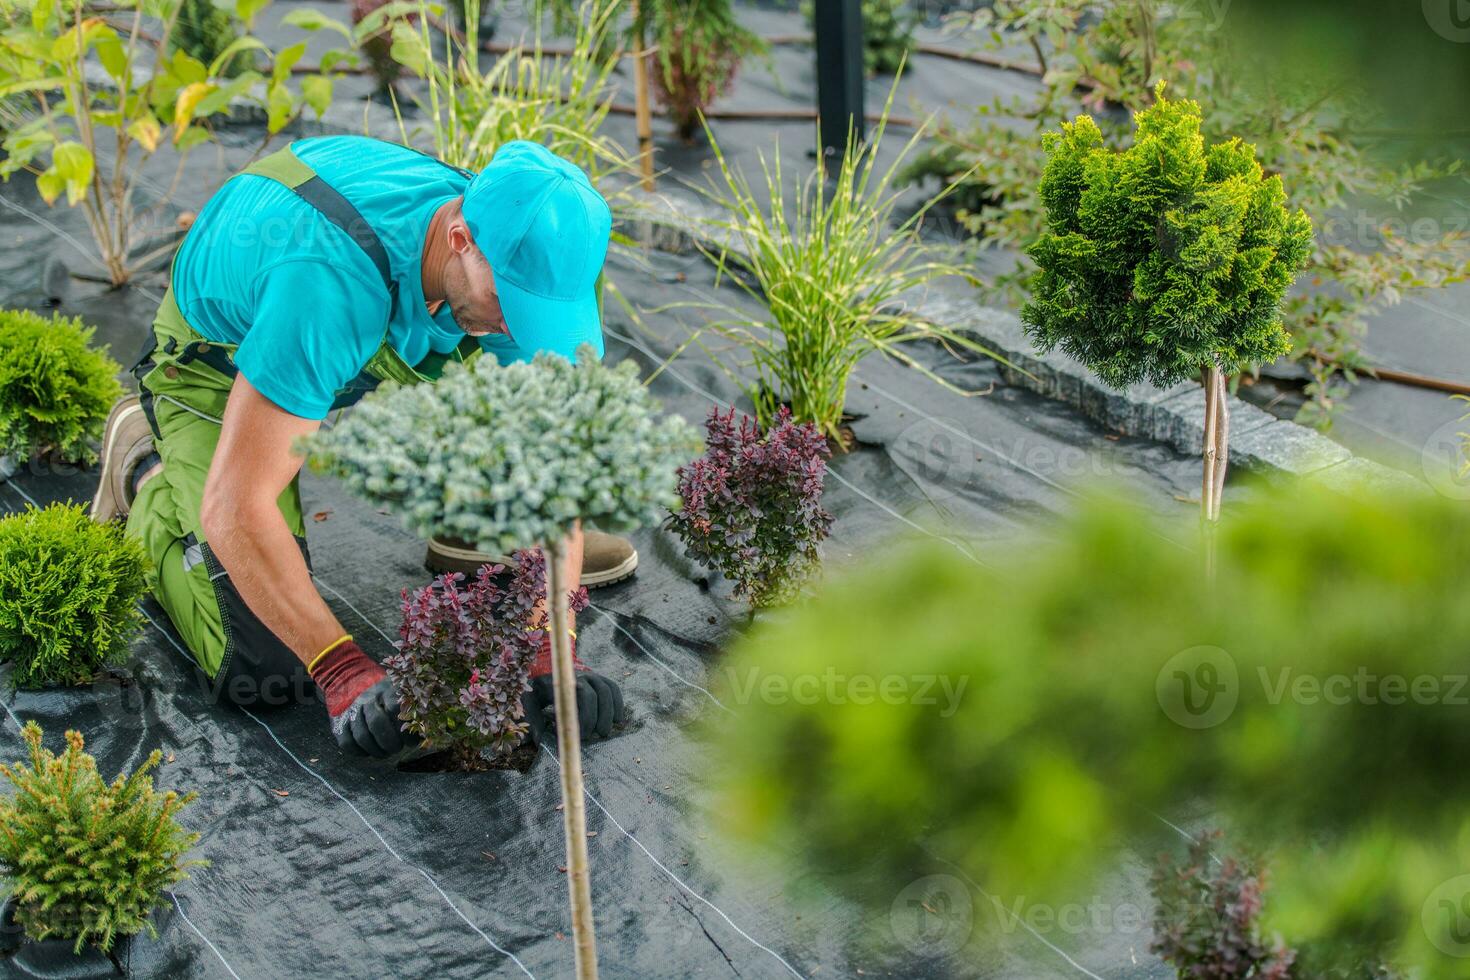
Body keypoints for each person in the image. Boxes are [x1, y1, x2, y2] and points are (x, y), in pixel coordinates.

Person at [88, 136, 629, 758]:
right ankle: (147, 471)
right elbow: (237, 507)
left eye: (540, 314)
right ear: (458, 239)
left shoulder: (511, 246)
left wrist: (549, 643)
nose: (517, 325)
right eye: (511, 305)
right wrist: (338, 667)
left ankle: (476, 515)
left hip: (362, 317)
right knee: (264, 667)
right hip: (221, 359)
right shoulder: (325, 285)